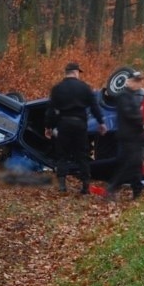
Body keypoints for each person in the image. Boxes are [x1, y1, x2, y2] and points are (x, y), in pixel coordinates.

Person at [44, 62, 107, 193]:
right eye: (78, 72)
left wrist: (48, 127)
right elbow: (94, 106)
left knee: (62, 154)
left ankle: (62, 185)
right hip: (79, 124)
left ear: (66, 73)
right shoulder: (84, 87)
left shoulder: (57, 88)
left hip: (63, 124)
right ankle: (85, 186)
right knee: (82, 155)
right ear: (75, 72)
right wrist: (101, 122)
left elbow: (51, 110)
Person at [105, 71, 144, 200]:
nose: (138, 83)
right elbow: (129, 114)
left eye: (140, 81)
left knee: (135, 164)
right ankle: (113, 187)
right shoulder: (123, 96)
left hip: (135, 135)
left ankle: (137, 190)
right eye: (136, 81)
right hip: (128, 136)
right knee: (131, 164)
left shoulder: (133, 95)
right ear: (128, 81)